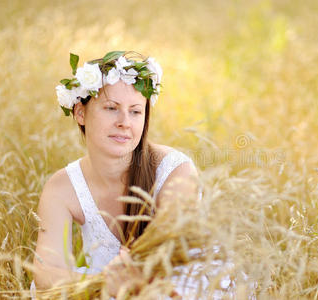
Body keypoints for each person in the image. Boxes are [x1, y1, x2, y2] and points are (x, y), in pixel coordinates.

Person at [30, 51, 202, 298]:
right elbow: (45, 272)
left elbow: (165, 261)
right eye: (111, 108)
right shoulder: (62, 187)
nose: (124, 122)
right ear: (80, 113)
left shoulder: (175, 170)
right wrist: (104, 282)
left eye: (135, 111)